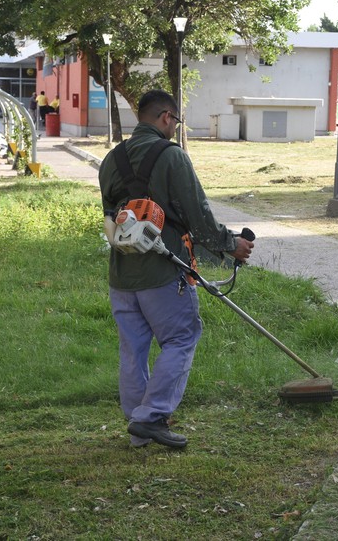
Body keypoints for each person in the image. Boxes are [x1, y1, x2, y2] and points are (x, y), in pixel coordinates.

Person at [98, 89, 254, 449]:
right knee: (181, 338)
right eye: (176, 121)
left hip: (121, 273)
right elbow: (198, 217)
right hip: (163, 271)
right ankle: (151, 418)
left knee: (132, 348)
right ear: (166, 117)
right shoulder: (171, 156)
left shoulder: (111, 159)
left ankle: (138, 425)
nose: (175, 127)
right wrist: (231, 245)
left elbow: (110, 217)